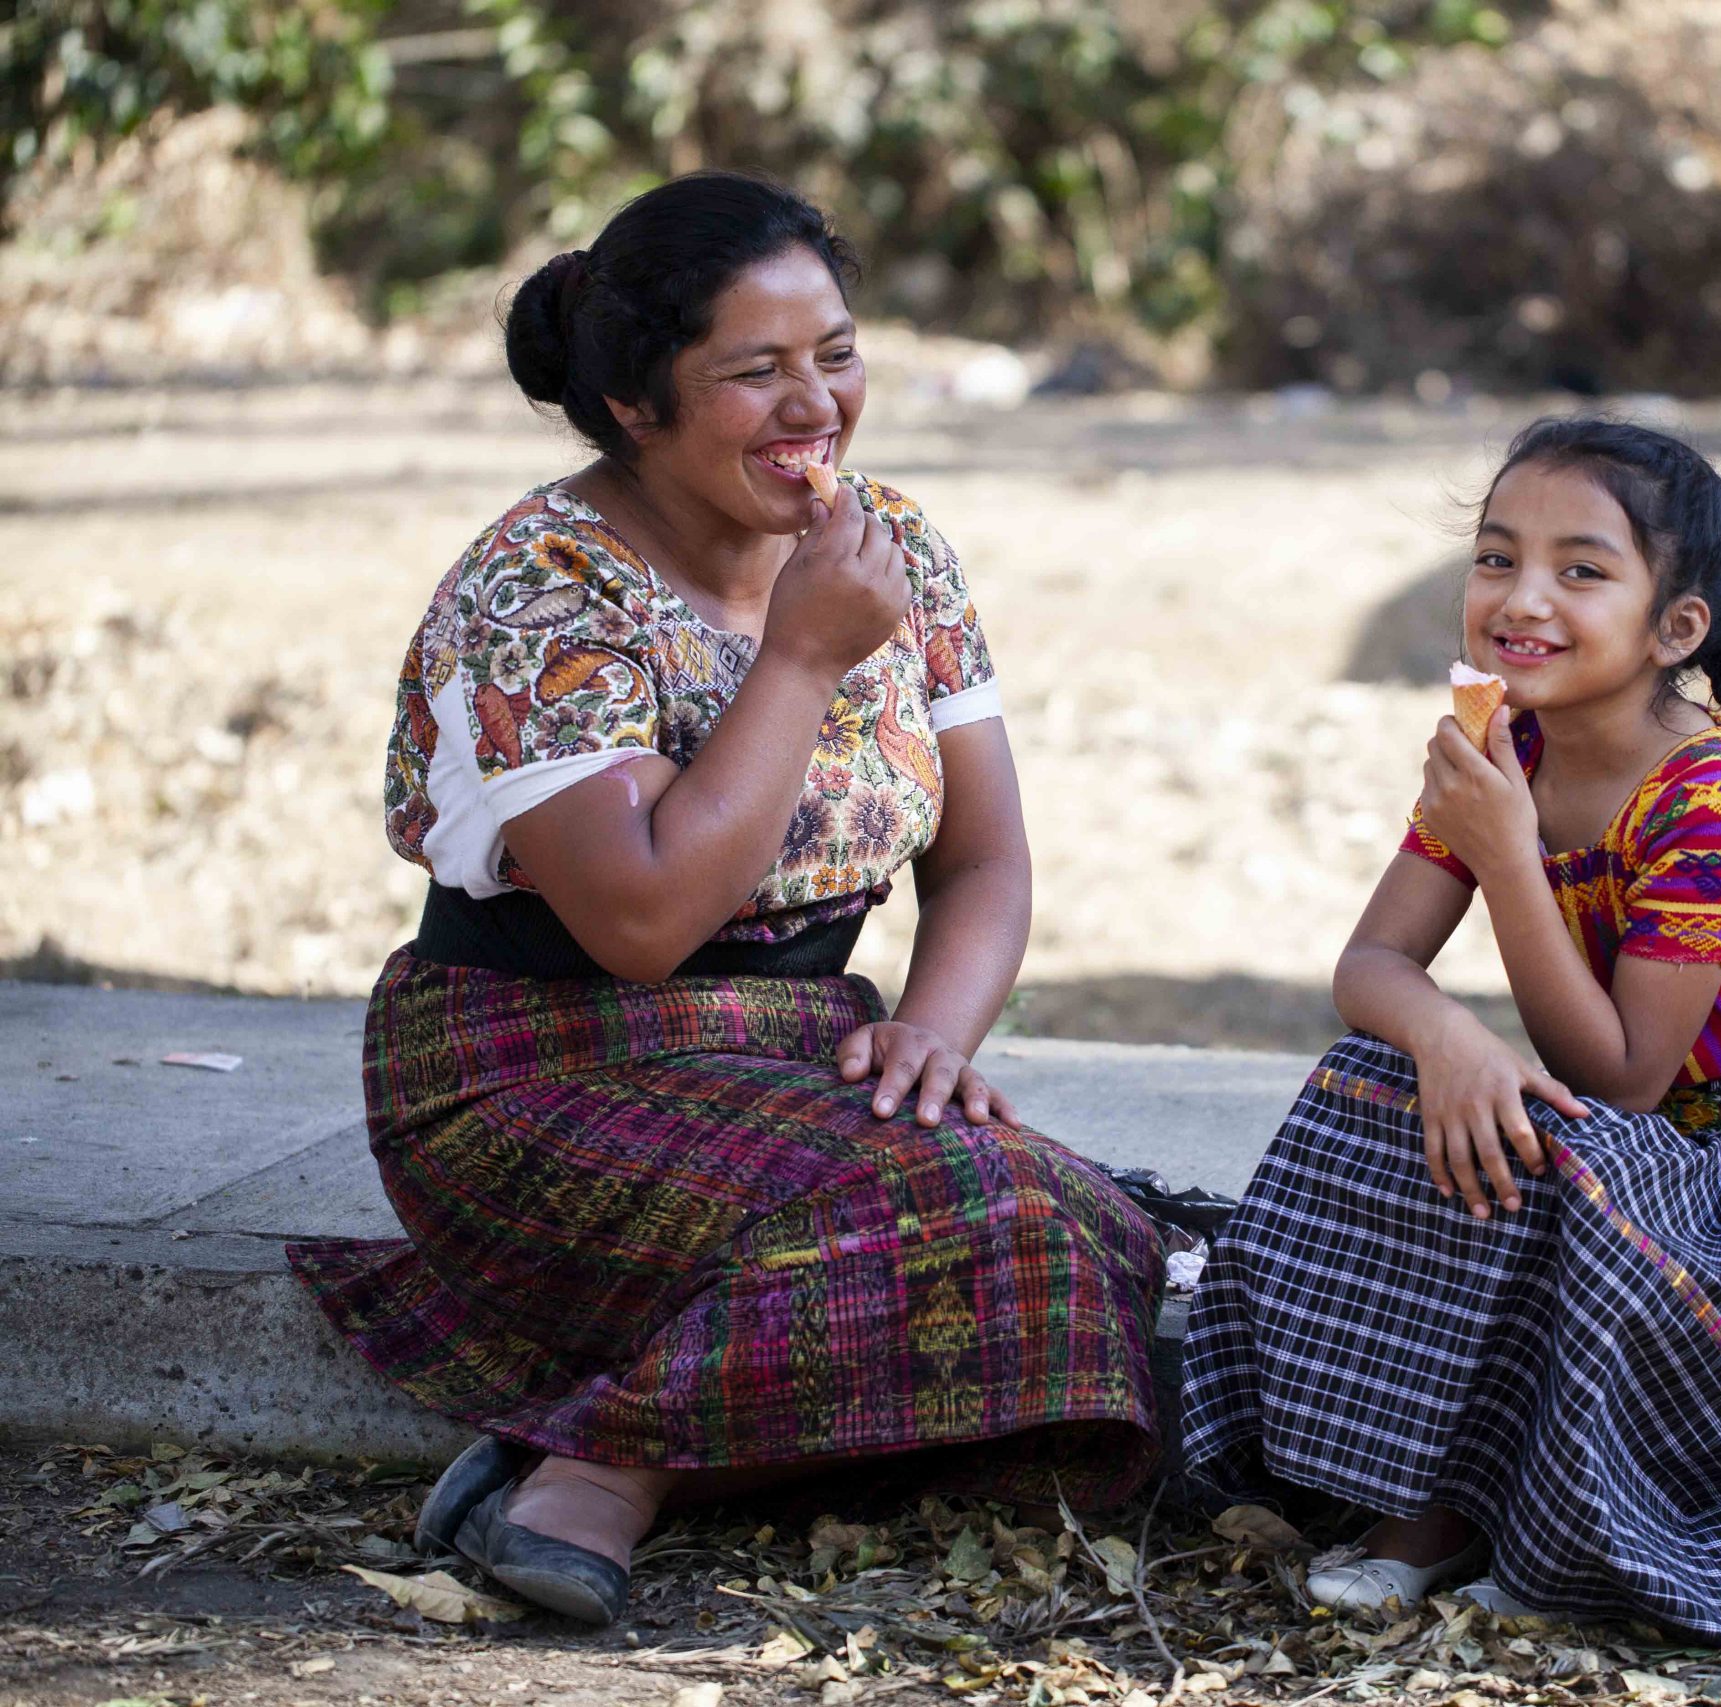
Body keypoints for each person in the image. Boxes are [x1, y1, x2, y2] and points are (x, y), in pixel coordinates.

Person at [285, 173, 1162, 1626]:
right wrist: (802, 661)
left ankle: (582, 1442)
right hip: (535, 1067)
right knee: (974, 1211)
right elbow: (640, 922)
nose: (813, 405)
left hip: (787, 1058)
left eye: (835, 352)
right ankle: (613, 1473)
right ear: (637, 402)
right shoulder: (542, 590)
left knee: (1095, 1230)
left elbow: (988, 858)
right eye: (753, 372)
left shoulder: (894, 549)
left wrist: (937, 1031)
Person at [1175, 417, 1721, 1648]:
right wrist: (1453, 1039)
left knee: (1562, 1149)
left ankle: (1538, 1529)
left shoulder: (1711, 801)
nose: (1522, 600)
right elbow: (1370, 966)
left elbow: (1619, 1076)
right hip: (1632, 1157)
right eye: (1496, 558)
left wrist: (1507, 853)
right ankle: (1425, 1504)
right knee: (1379, 1085)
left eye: (1581, 570)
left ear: (1676, 630)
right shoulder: (1498, 742)